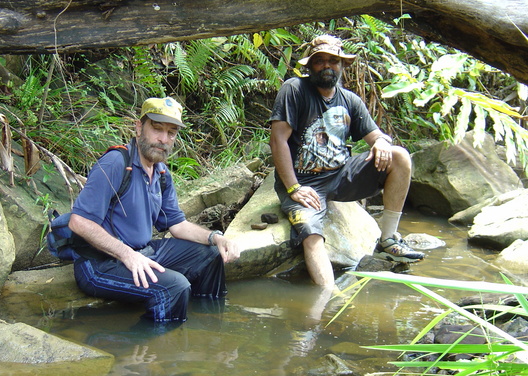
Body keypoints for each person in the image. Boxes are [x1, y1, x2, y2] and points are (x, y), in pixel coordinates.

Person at [269, 35, 424, 289]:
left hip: (342, 175)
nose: (327, 66)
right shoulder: (294, 89)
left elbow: (375, 135)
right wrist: (294, 188)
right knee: (310, 233)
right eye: (320, 61)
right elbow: (278, 141)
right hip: (306, 183)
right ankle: (328, 297)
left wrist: (382, 142)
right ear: (310, 66)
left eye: (333, 61)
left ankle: (388, 239)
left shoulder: (349, 99)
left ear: (342, 65)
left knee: (399, 156)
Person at [68, 97, 240, 324]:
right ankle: (157, 346)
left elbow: (177, 225)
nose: (163, 139)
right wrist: (127, 255)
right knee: (175, 286)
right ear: (139, 128)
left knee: (210, 255)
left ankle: (211, 325)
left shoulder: (161, 173)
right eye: (157, 129)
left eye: (171, 133)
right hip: (100, 264)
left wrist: (215, 237)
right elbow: (78, 222)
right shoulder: (116, 163)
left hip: (143, 252)